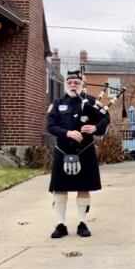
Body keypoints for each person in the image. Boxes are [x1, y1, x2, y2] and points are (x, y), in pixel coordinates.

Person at [47, 70, 110, 238]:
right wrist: (67, 133)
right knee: (59, 189)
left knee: (84, 188)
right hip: (63, 150)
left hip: (85, 150)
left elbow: (105, 118)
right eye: (70, 82)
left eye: (76, 82)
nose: (73, 85)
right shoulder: (58, 103)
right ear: (65, 84)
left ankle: (82, 223)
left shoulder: (91, 102)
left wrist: (96, 128)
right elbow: (51, 126)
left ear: (82, 84)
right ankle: (60, 224)